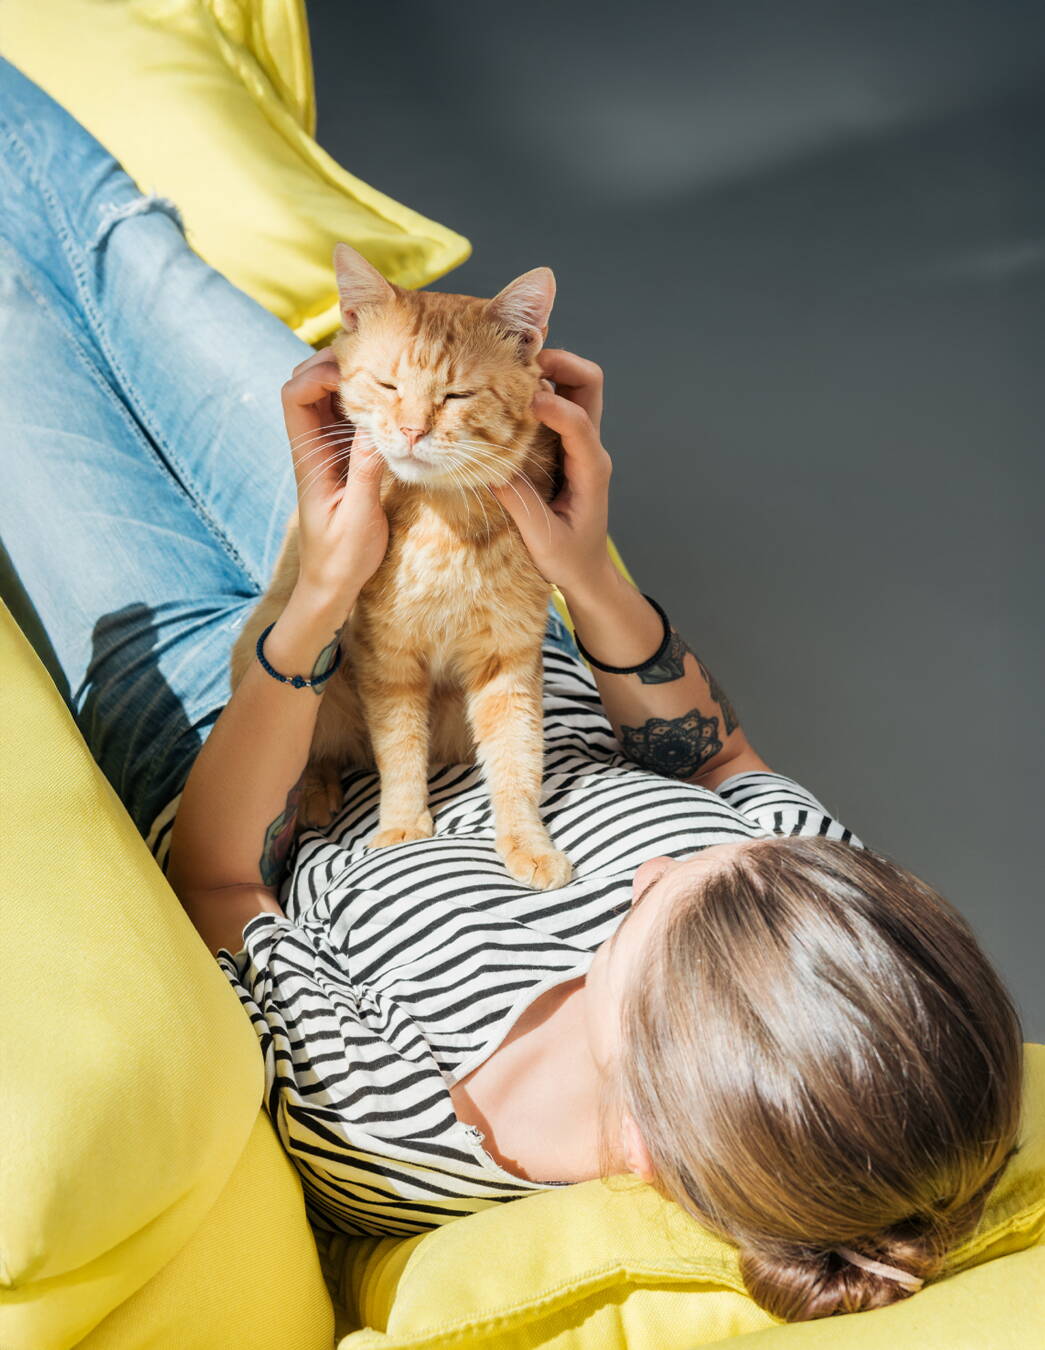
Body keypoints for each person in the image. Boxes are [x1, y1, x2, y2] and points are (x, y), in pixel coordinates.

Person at [0, 54, 1024, 1324]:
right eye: (701, 858)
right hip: (439, 544)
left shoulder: (402, 1121)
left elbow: (219, 881)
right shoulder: (823, 927)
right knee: (114, 240)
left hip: (219, 708)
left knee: (17, 326)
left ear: (644, 1127)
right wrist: (583, 568)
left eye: (650, 910)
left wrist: (314, 596)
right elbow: (716, 759)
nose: (651, 864)